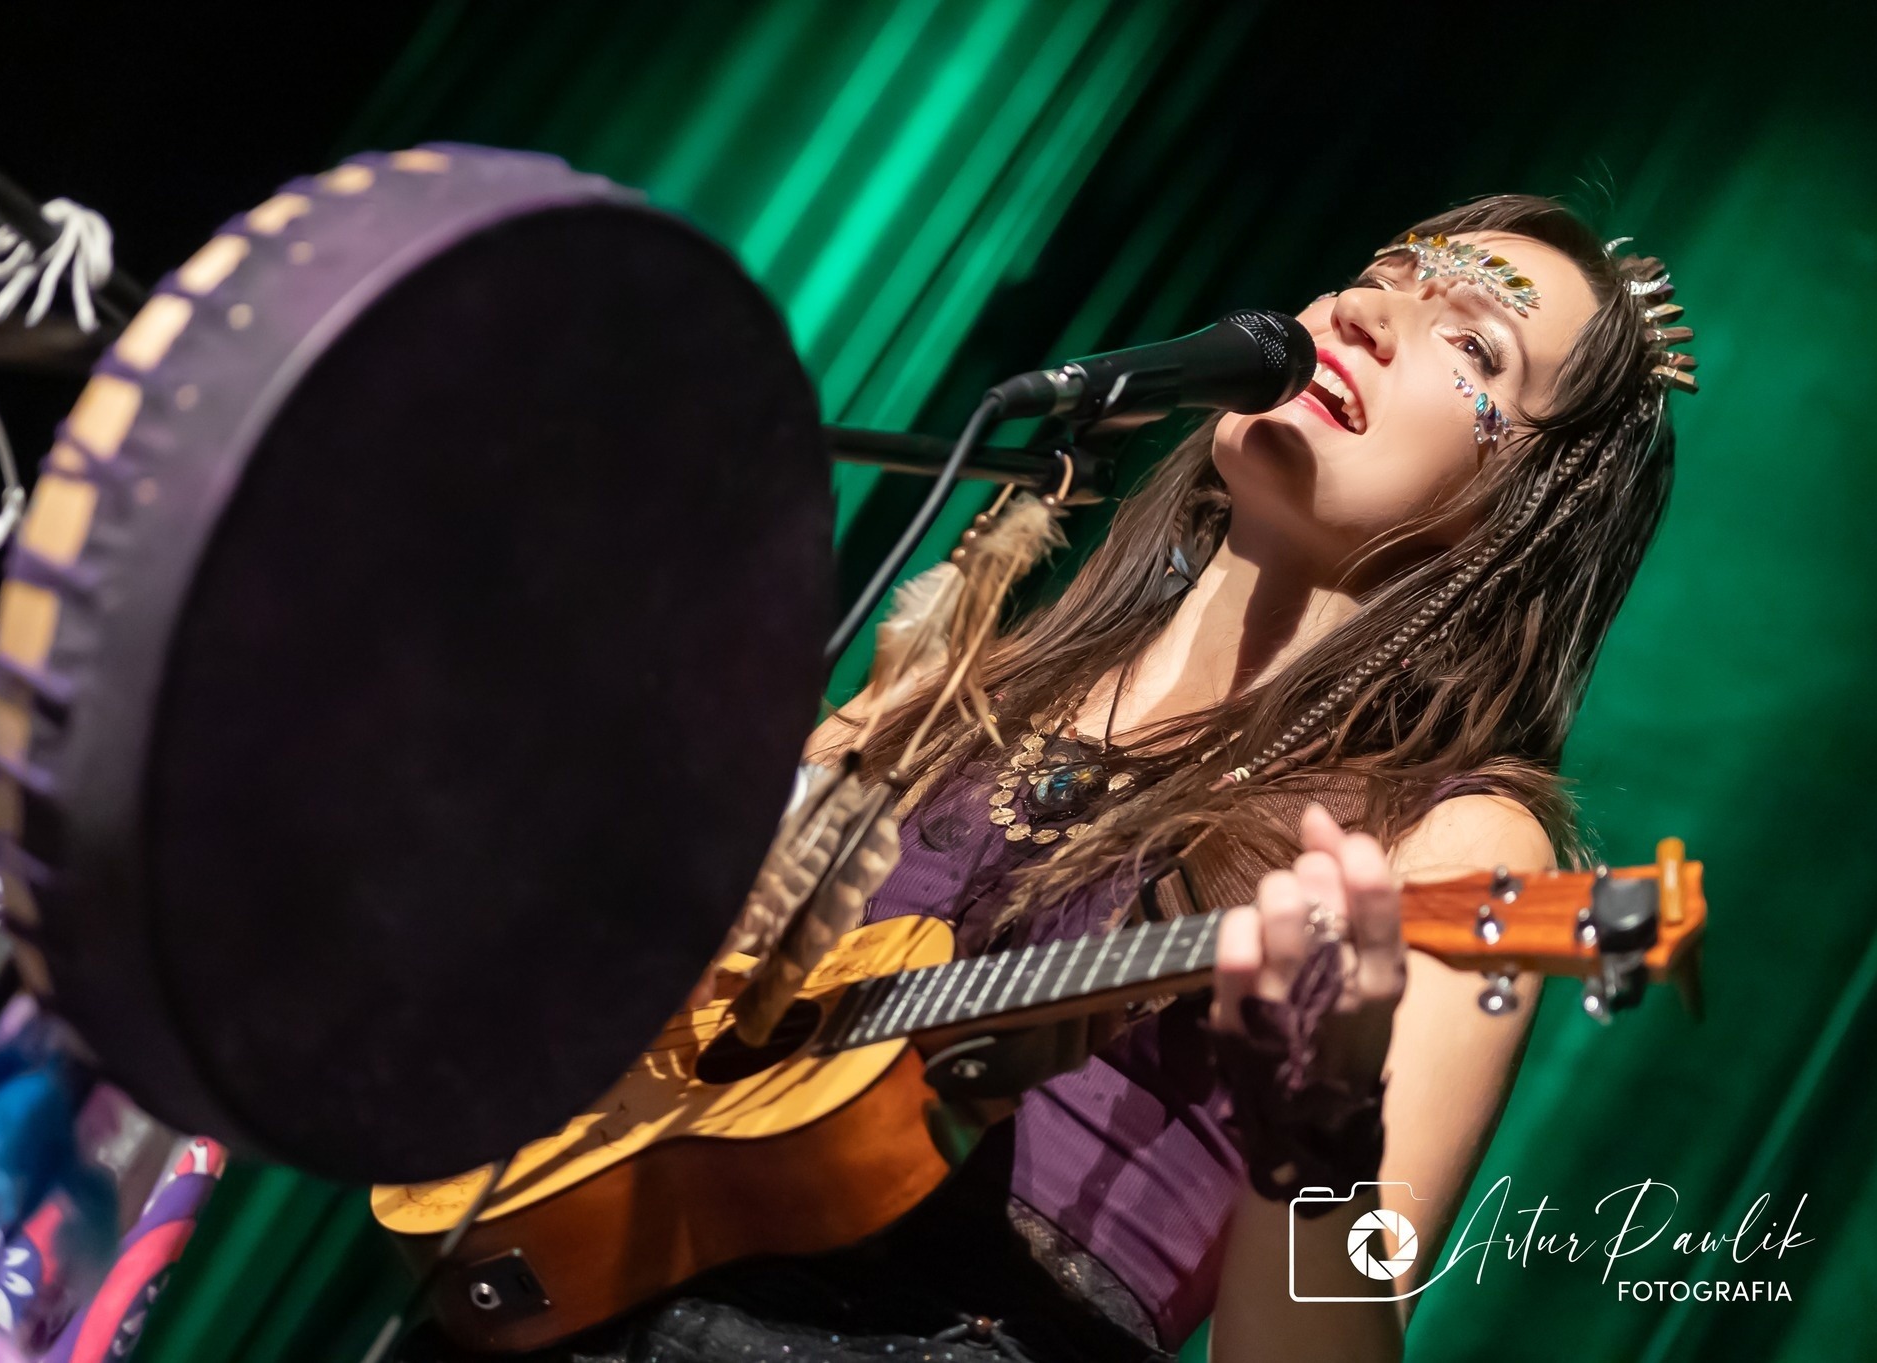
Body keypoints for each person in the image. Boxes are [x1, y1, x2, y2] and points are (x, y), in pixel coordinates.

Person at [501, 192, 1689, 1363]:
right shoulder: (966, 677)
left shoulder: (1454, 844)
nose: (1368, 316)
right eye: (1382, 275)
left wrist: (1316, 1133)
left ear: (1521, 508)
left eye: (1474, 342)